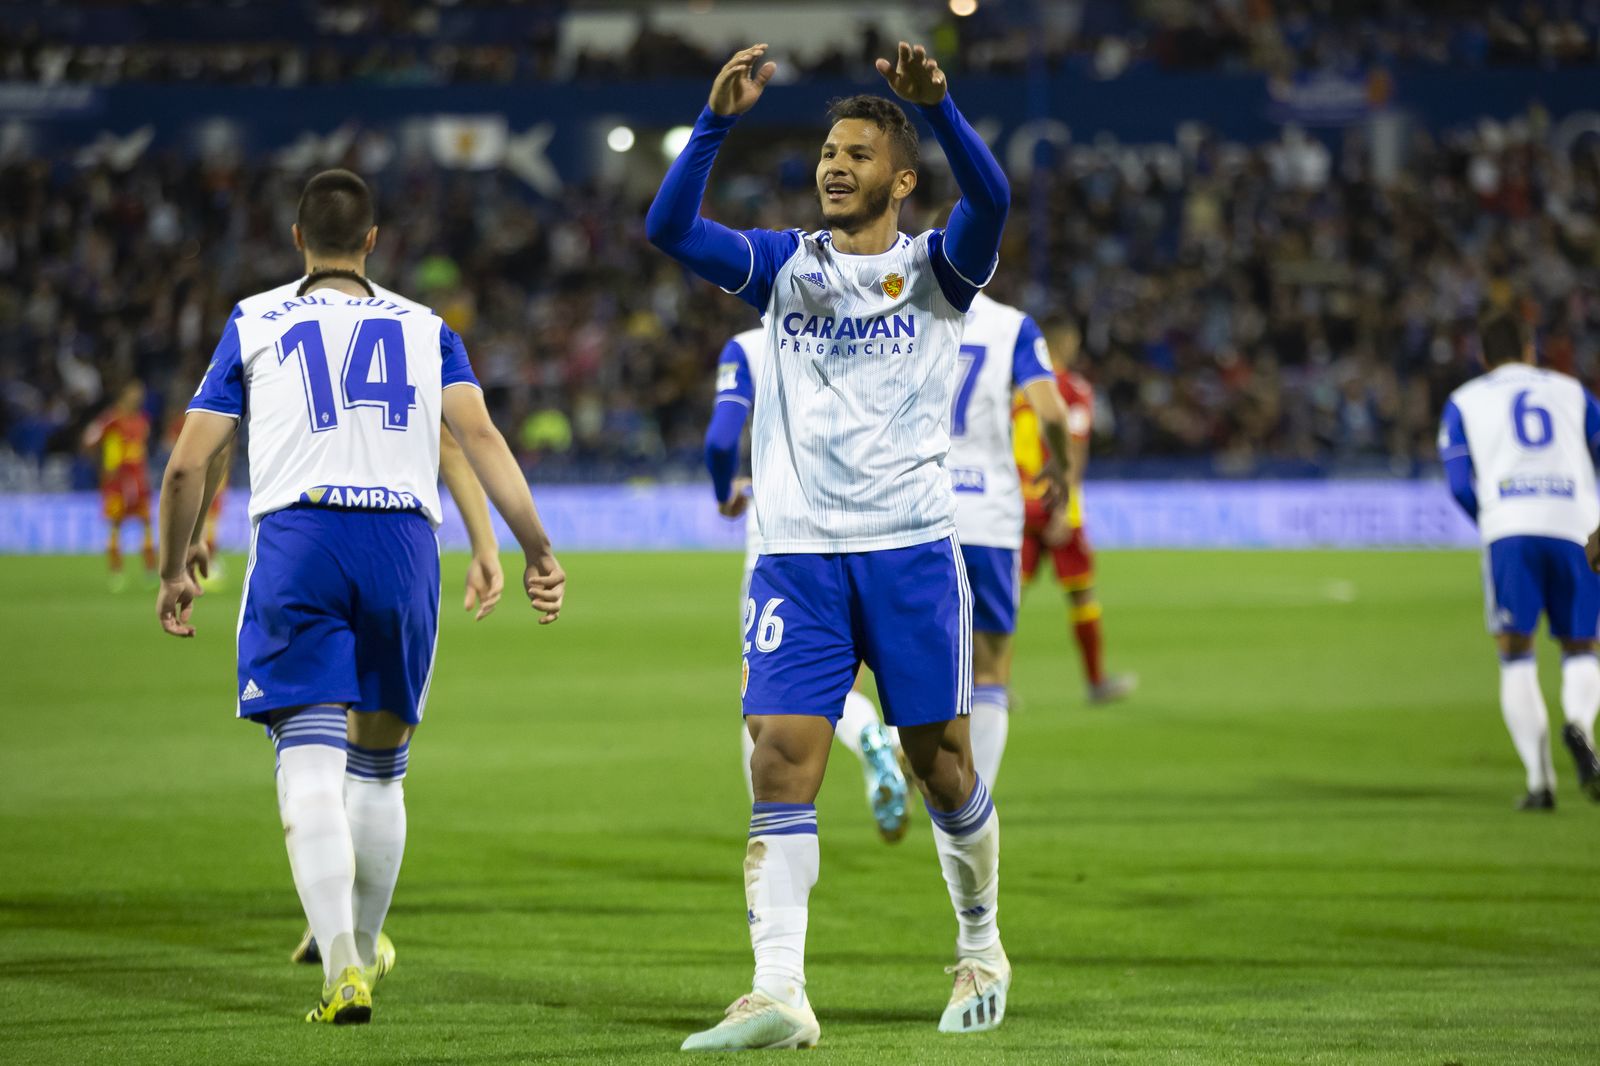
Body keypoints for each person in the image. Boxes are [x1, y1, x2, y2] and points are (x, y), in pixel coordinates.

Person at [648, 41, 1050, 1048]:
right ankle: (779, 988)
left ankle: (981, 946)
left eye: (857, 154)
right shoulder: (781, 266)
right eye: (829, 152)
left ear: (901, 180)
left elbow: (994, 199)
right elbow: (668, 228)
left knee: (941, 765)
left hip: (911, 551)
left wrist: (942, 108)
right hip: (797, 557)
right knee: (780, 758)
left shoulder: (938, 270)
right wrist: (715, 121)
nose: (834, 166)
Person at [156, 168, 567, 1024]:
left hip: (301, 541)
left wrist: (174, 566)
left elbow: (190, 461)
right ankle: (367, 947)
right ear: (373, 242)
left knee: (309, 759)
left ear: (297, 239)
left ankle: (340, 959)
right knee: (378, 771)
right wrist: (533, 548)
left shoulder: (257, 319)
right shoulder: (426, 328)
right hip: (401, 546)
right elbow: (477, 437)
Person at [706, 325, 911, 841]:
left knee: (765, 693)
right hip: (868, 531)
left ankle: (770, 832)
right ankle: (876, 734)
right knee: (843, 682)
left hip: (781, 541)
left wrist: (724, 490)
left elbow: (720, 439)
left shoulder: (748, 347)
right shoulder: (864, 332)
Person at [1440, 310, 1600, 809]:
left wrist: (1492, 520)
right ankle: (1581, 725)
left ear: (1483, 356)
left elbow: (1458, 484)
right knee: (1582, 645)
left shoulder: (1464, 400)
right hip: (1576, 525)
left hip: (1510, 527)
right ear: (1530, 350)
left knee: (1515, 653)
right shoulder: (1573, 392)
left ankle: (1540, 783)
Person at [948, 293, 1073, 785]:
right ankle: (972, 804)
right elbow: (1053, 413)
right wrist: (1061, 468)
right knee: (991, 671)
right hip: (988, 516)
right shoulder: (1011, 326)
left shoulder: (903, 308)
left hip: (916, 513)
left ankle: (900, 748)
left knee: (913, 660)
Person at [1013, 319, 1137, 703]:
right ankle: (1096, 682)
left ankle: (990, 686)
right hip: (1058, 505)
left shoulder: (1016, 387)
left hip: (1017, 505)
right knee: (1082, 594)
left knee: (1005, 600)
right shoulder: (1073, 388)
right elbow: (1076, 449)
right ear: (1067, 342)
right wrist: (1063, 509)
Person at [83, 381, 156, 591]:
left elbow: (142, 450)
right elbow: (89, 440)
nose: (138, 397)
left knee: (146, 524)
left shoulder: (142, 420)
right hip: (117, 483)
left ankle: (150, 570)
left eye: (140, 394)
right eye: (134, 393)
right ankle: (116, 573)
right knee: (115, 525)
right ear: (124, 395)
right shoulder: (111, 420)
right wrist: (104, 466)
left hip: (139, 481)